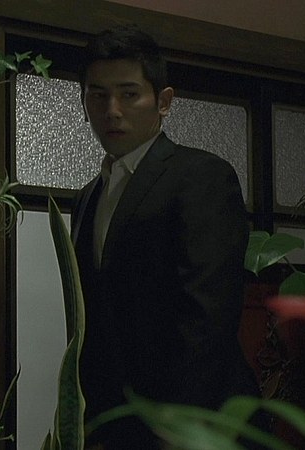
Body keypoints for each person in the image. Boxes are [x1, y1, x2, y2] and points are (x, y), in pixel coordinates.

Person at [70, 24, 261, 449]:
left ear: (164, 101)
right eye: (98, 95)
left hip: (198, 421)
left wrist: (174, 428)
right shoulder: (87, 197)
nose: (112, 110)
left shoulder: (200, 176)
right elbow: (93, 323)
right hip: (118, 423)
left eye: (129, 94)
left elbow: (208, 315)